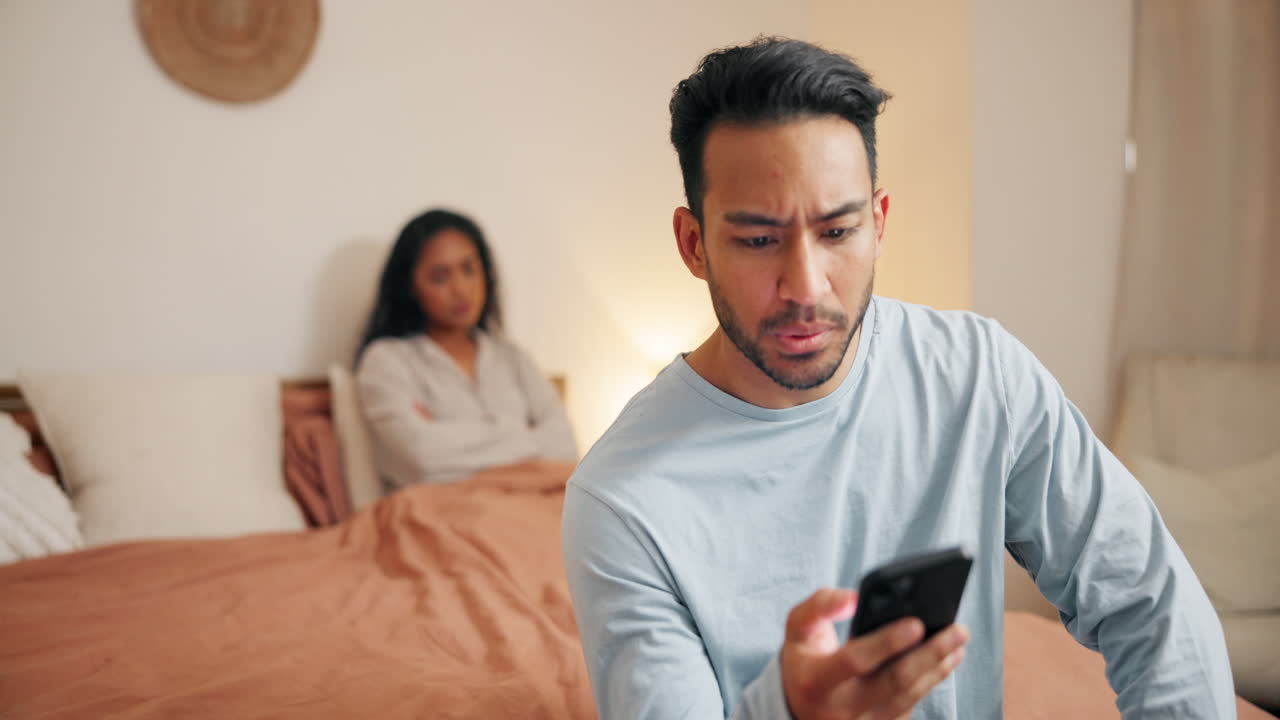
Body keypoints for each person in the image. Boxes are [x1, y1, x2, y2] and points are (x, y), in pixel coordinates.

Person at [561, 37, 1234, 719]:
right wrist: (789, 709)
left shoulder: (978, 376)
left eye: (837, 231)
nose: (805, 286)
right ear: (693, 243)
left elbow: (1151, 602)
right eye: (759, 240)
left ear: (877, 224)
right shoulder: (623, 499)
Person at [356, 209, 577, 492]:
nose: (460, 289)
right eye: (440, 277)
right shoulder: (386, 361)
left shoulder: (512, 357)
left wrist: (453, 438)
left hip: (535, 504)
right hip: (442, 515)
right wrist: (521, 433)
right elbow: (424, 458)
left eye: (469, 270)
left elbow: (565, 444)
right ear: (409, 287)